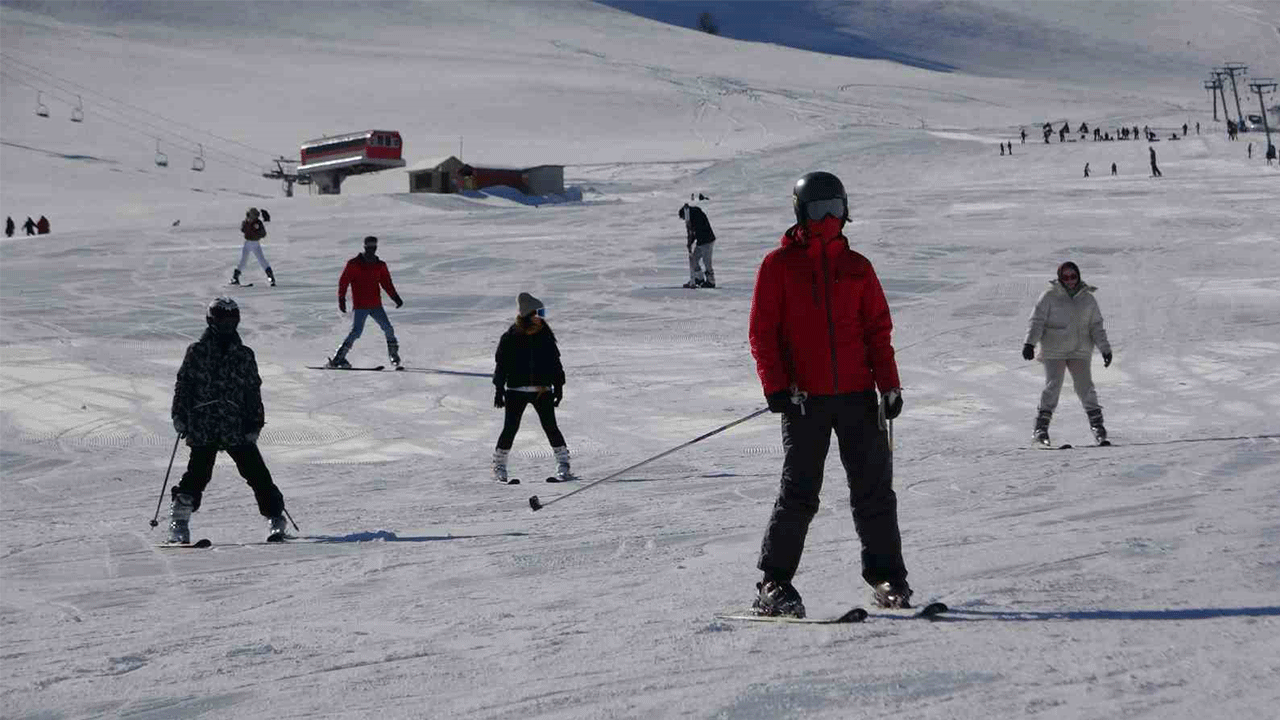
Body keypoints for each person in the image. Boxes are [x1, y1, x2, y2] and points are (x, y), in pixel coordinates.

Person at [747, 171, 910, 617]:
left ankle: (888, 578)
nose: (827, 220)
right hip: (804, 401)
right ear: (801, 214)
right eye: (818, 211)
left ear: (845, 210)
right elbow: (763, 333)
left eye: (834, 209)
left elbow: (877, 331)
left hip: (858, 396)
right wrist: (775, 386)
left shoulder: (858, 267)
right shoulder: (778, 266)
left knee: (874, 491)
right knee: (799, 492)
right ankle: (774, 583)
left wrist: (889, 384)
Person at [168, 298, 289, 543]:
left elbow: (252, 390)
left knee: (257, 473)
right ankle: (178, 523)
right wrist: (179, 414)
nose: (227, 326)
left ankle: (276, 518)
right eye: (222, 321)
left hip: (235, 424)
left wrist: (254, 422)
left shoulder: (243, 354)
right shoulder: (197, 351)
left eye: (232, 321)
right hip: (204, 423)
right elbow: (184, 385)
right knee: (198, 474)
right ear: (211, 321)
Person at [1022, 262, 1113, 447]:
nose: (1070, 280)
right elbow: (1037, 320)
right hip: (1054, 350)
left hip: (1080, 350)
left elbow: (1096, 326)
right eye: (1065, 277)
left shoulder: (1088, 299)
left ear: (1078, 276)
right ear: (1059, 278)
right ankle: (1040, 429)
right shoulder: (1049, 296)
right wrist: (1029, 343)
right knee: (1053, 386)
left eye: (1073, 276)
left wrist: (1105, 349)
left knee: (1085, 387)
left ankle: (1098, 427)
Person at [491, 292, 574, 484]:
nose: (542, 317)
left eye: (543, 312)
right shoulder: (510, 337)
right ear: (529, 314)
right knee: (510, 429)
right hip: (516, 390)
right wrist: (499, 389)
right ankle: (499, 466)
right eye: (540, 312)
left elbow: (555, 363)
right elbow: (501, 366)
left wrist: (559, 386)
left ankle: (563, 464)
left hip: (542, 390)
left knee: (551, 427)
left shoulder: (545, 336)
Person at [328, 235, 403, 369]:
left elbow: (386, 283)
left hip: (376, 305)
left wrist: (395, 297)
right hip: (361, 306)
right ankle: (338, 358)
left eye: (373, 246)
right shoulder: (354, 264)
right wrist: (341, 298)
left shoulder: (380, 265)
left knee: (388, 329)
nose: (371, 249)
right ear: (364, 247)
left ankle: (393, 355)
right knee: (356, 332)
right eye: (369, 246)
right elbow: (344, 281)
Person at [678, 195, 717, 288]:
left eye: (684, 218)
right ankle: (699, 278)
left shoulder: (696, 214)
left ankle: (711, 281)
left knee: (707, 262)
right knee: (694, 260)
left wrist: (690, 240)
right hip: (700, 242)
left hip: (707, 241)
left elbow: (694, 231)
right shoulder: (693, 215)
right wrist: (690, 242)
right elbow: (692, 232)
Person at [232, 208, 274, 286]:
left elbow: (263, 234)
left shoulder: (258, 223)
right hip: (248, 243)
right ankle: (235, 277)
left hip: (255, 243)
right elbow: (243, 230)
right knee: (243, 261)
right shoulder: (246, 222)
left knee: (262, 260)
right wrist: (246, 224)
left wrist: (257, 231)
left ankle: (271, 278)